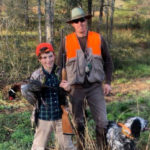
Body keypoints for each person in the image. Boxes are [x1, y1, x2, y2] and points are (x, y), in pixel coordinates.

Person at [57, 7, 113, 150]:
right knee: (78, 123)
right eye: (76, 21)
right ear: (72, 24)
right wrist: (62, 85)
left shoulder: (98, 38)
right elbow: (60, 66)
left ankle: (101, 147)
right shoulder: (66, 41)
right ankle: (82, 146)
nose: (80, 23)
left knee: (102, 122)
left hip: (95, 87)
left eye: (82, 20)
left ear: (86, 21)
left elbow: (108, 61)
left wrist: (108, 82)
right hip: (75, 88)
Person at [30, 43, 76, 150]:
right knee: (38, 148)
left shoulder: (61, 72)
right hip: (43, 117)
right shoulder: (36, 75)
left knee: (68, 147)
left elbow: (75, 93)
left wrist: (69, 88)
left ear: (54, 56)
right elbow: (31, 98)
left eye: (50, 56)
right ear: (39, 60)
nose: (48, 60)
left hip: (61, 117)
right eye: (44, 58)